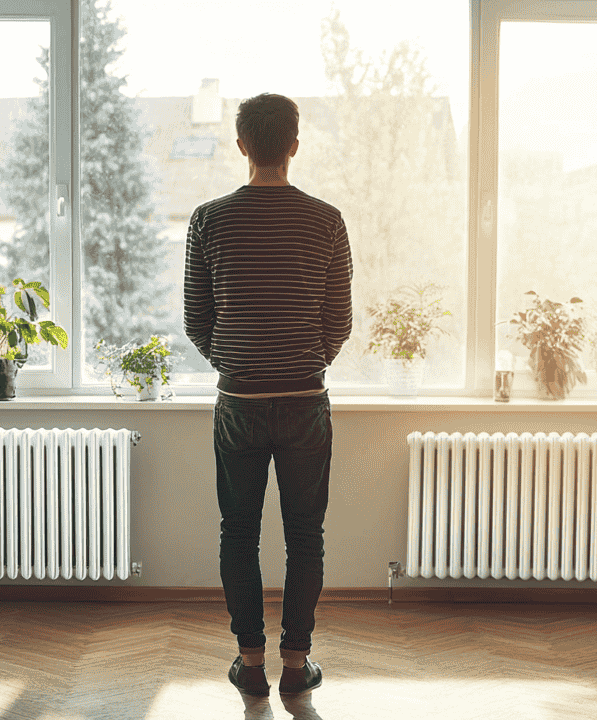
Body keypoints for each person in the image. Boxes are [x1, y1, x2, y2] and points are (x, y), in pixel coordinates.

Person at [183, 93, 352, 697]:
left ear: (242, 145)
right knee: (306, 534)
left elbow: (196, 319)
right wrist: (305, 364)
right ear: (294, 145)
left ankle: (250, 664)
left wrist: (238, 364)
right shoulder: (326, 220)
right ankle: (295, 664)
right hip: (306, 400)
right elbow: (339, 321)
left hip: (240, 405)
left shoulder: (209, 219)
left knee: (239, 532)